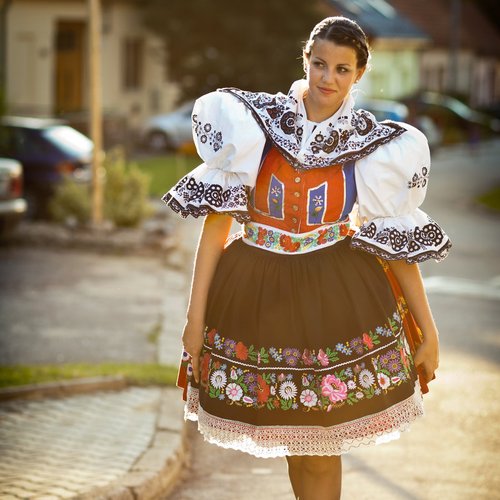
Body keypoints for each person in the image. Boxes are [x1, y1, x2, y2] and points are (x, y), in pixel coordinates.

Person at [162, 16, 451, 500]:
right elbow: (215, 232)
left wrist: (430, 329)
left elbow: (395, 244)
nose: (327, 79)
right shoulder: (256, 127)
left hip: (331, 300)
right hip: (256, 296)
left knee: (320, 448)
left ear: (358, 75)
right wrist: (194, 321)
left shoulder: (374, 147)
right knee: (296, 447)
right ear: (305, 61)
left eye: (342, 69)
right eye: (320, 64)